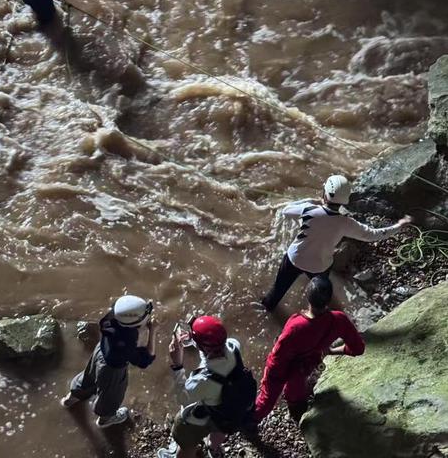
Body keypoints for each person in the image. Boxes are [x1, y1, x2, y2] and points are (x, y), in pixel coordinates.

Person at [261, 174, 412, 311]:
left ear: (325, 195)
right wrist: (399, 226)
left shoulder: (308, 210)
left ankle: (267, 307)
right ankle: (324, 315)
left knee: (277, 291)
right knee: (321, 297)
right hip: (320, 265)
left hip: (295, 258)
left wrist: (309, 201)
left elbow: (286, 211)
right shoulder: (346, 223)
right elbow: (372, 234)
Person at [255, 276, 365, 422]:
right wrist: (333, 351)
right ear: (328, 300)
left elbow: (277, 358)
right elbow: (358, 348)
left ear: (307, 297)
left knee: (267, 400)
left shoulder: (296, 326)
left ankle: (250, 421)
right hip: (309, 364)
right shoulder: (339, 320)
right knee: (298, 394)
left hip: (290, 368)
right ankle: (299, 415)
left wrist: (270, 378)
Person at [157, 316, 256, 458]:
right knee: (221, 427)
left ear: (201, 347)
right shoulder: (234, 346)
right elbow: (213, 352)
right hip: (231, 412)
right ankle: (213, 449)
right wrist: (195, 340)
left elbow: (183, 398)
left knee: (184, 435)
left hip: (211, 413)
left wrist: (177, 365)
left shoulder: (203, 380)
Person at [61, 295, 157, 428]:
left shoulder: (112, 318)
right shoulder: (127, 339)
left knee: (88, 377)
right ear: (133, 324)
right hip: (113, 368)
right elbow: (145, 360)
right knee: (111, 395)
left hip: (101, 351)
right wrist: (153, 331)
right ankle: (106, 418)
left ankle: (71, 398)